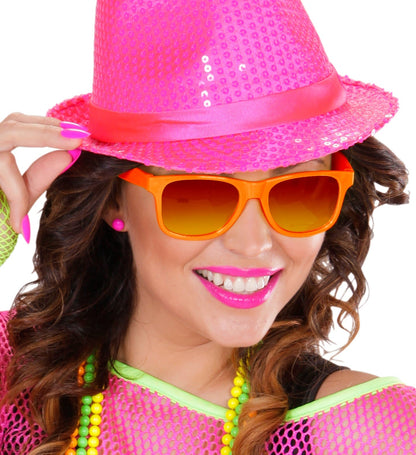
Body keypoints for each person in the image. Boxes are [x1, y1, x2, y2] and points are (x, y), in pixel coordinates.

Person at [0, 0, 415, 454]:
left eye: (299, 192)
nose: (254, 244)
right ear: (114, 199)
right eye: (199, 197)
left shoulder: (370, 431)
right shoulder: (12, 375)